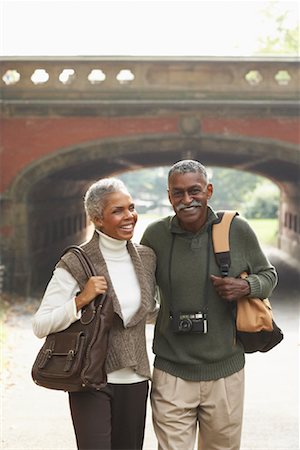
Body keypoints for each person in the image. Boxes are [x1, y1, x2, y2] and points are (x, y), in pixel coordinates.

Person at [140, 159, 278, 450]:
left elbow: (269, 276)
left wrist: (246, 286)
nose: (187, 200)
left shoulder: (236, 230)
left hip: (225, 372)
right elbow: (138, 292)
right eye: (178, 193)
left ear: (209, 190)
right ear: (169, 196)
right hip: (171, 371)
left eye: (195, 191)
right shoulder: (155, 236)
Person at [32, 177, 157, 450]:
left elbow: (148, 312)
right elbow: (40, 324)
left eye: (131, 207)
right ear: (97, 219)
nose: (130, 216)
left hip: (135, 380)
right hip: (90, 379)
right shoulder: (75, 262)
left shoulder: (146, 257)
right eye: (118, 210)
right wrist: (81, 300)